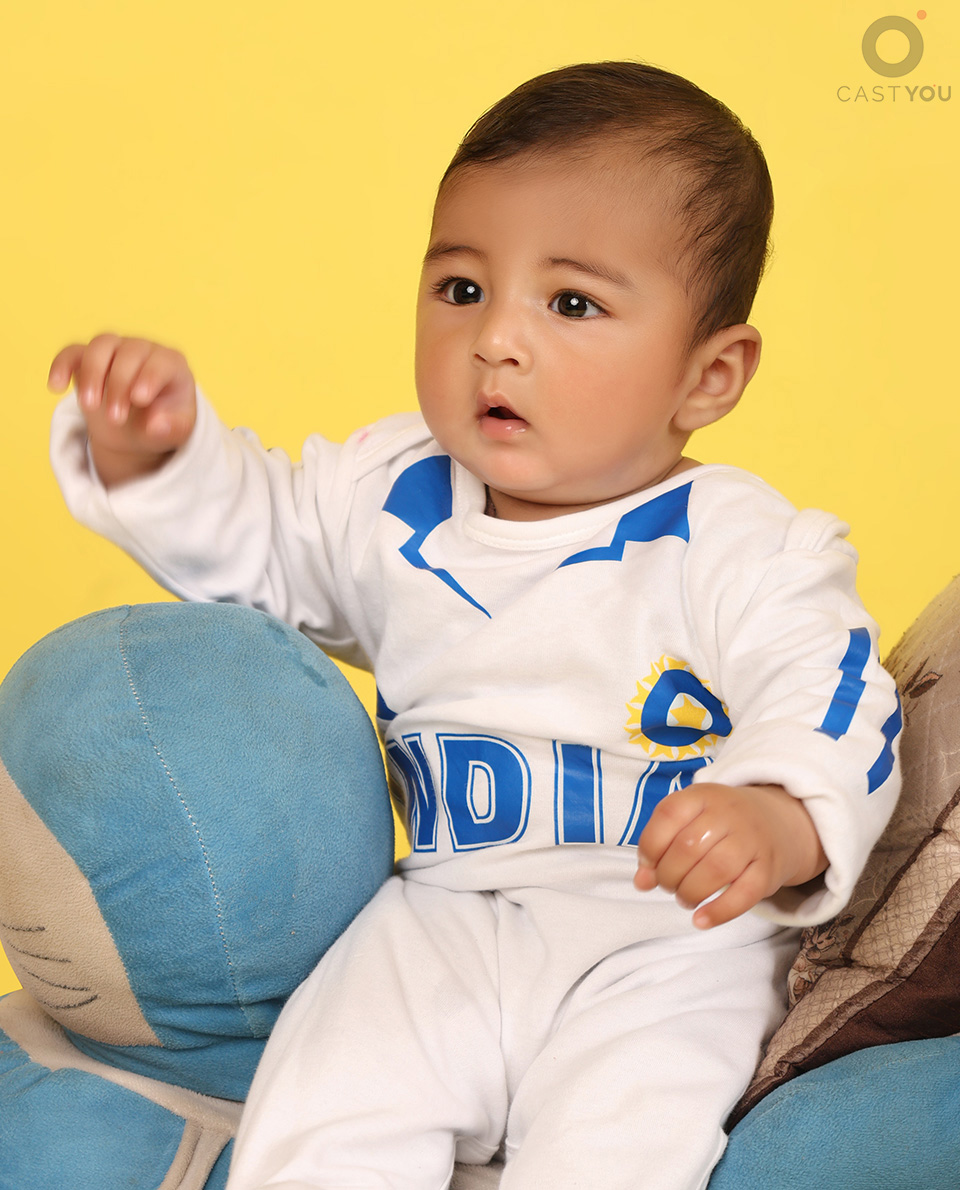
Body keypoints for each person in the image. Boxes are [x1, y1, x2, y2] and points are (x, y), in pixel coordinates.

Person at [47, 61, 901, 1190]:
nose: (498, 338)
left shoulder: (738, 542)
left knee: (624, 1137)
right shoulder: (393, 492)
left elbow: (832, 691)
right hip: (447, 913)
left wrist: (780, 813)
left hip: (667, 941)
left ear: (708, 375)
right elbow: (261, 546)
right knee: (325, 1095)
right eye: (460, 288)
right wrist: (157, 457)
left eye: (572, 304)